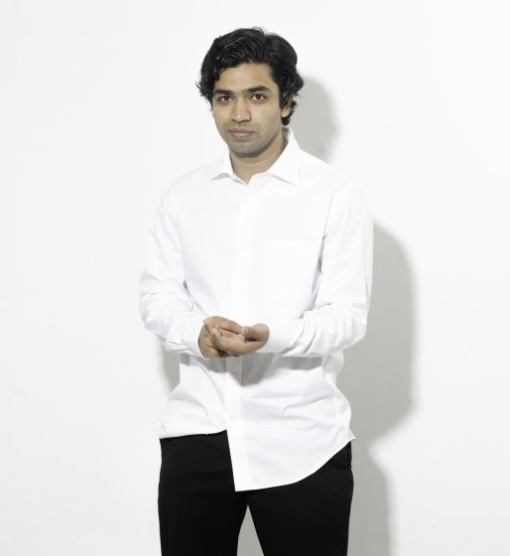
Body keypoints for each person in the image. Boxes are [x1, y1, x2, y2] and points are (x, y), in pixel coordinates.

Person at [139, 26, 373, 556]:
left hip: (302, 443)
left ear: (287, 102)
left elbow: (347, 316)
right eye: (225, 98)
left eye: (257, 96)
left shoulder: (334, 196)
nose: (239, 114)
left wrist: (272, 336)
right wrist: (197, 332)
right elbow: (157, 297)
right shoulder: (183, 196)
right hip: (198, 435)